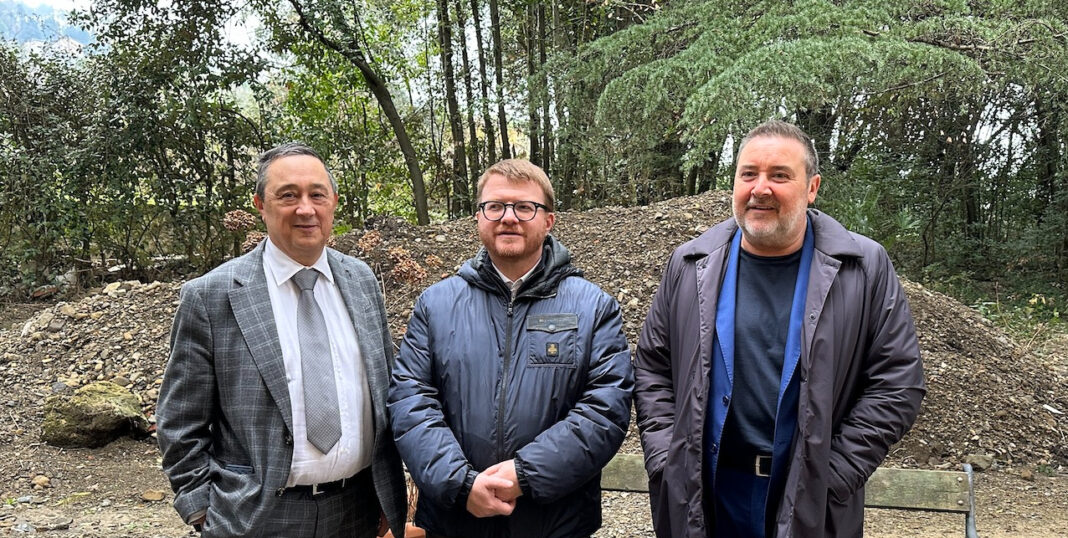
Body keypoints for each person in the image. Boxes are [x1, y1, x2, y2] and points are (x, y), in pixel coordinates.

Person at [634, 120, 926, 537]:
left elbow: (898, 383)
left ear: (812, 188)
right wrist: (666, 459)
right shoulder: (690, 264)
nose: (760, 188)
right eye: (748, 174)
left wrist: (834, 474)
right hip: (707, 492)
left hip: (809, 496)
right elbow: (652, 367)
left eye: (780, 175)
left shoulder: (862, 267)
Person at [157, 143, 407, 538]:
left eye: (317, 194)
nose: (305, 209)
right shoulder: (212, 295)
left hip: (357, 511)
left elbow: (383, 391)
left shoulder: (361, 282)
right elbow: (179, 420)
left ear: (334, 202)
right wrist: (201, 508)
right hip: (255, 517)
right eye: (288, 195)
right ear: (260, 203)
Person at [388, 159, 633, 538]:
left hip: (555, 523)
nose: (509, 218)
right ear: (478, 217)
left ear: (548, 220)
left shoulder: (594, 307)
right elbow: (410, 400)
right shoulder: (435, 305)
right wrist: (461, 483)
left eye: (524, 207)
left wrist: (524, 474)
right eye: (495, 206)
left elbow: (605, 409)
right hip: (455, 521)